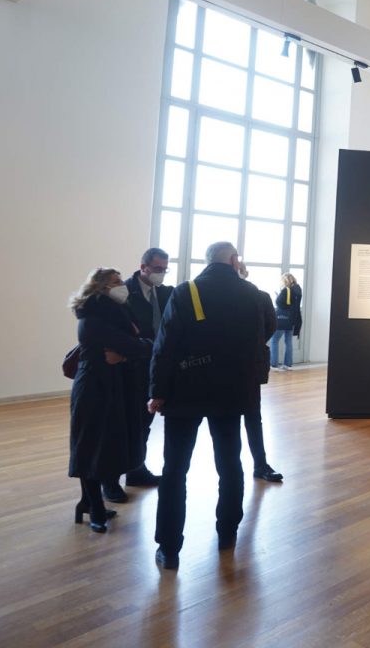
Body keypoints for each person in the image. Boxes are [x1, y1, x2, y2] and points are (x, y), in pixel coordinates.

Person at [148, 242, 274, 570]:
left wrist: (157, 391)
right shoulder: (252, 293)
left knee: (175, 469)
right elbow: (267, 330)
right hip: (231, 392)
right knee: (229, 463)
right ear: (233, 260)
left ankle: (169, 547)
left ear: (207, 261)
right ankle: (227, 533)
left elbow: (165, 345)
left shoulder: (185, 291)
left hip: (185, 392)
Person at [68, 267, 151, 533]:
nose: (122, 285)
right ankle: (95, 506)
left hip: (110, 385)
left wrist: (127, 354)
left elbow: (128, 346)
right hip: (95, 387)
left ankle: (88, 502)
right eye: (116, 282)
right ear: (101, 287)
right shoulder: (95, 317)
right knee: (91, 447)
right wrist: (147, 346)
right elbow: (134, 345)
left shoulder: (115, 312)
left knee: (101, 446)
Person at [105, 247, 171, 499]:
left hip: (152, 368)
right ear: (143, 267)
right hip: (127, 368)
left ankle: (136, 468)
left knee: (144, 423)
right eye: (157, 269)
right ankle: (110, 480)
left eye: (164, 269)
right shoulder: (124, 292)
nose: (161, 273)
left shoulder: (165, 293)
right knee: (120, 426)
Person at [237, 261, 285, 483]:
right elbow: (270, 327)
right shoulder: (260, 296)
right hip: (243, 365)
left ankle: (260, 463)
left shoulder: (260, 296)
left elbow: (270, 326)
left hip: (248, 366)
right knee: (246, 418)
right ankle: (251, 465)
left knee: (252, 416)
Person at [270, 273, 303, 371]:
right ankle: (288, 364)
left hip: (282, 319)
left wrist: (278, 295)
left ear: (285, 281)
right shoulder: (298, 290)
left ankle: (274, 364)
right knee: (288, 341)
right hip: (293, 319)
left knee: (274, 340)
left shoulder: (286, 290)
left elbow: (279, 303)